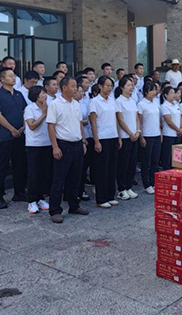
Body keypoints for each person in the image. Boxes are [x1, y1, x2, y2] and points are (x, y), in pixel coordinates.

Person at [47, 77, 89, 223]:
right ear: (64, 88)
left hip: (77, 144)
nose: (75, 88)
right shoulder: (55, 104)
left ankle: (74, 205)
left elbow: (79, 124)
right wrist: (55, 147)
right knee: (59, 179)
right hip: (63, 145)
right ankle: (55, 210)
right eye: (73, 86)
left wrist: (83, 141)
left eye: (76, 86)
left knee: (75, 177)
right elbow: (51, 126)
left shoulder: (76, 104)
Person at [0, 67, 28, 209]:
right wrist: (12, 129)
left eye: (14, 75)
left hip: (20, 135)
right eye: (10, 76)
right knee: (2, 166)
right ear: (2, 79)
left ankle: (19, 192)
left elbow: (24, 111)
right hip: (4, 136)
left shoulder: (18, 94)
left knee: (20, 165)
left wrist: (23, 126)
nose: (13, 78)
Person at [90, 76, 121, 209]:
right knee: (102, 169)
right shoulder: (94, 102)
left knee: (112, 168)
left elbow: (115, 120)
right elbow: (93, 122)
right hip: (102, 137)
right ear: (100, 86)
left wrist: (119, 137)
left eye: (111, 86)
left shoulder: (112, 100)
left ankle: (110, 195)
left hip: (113, 136)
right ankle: (101, 198)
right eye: (107, 85)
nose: (109, 88)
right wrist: (96, 141)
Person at [24, 86, 52, 215]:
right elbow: (32, 125)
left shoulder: (48, 107)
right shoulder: (30, 108)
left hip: (47, 143)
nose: (45, 95)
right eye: (42, 93)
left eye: (45, 93)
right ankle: (31, 200)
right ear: (35, 96)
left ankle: (41, 198)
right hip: (34, 145)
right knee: (33, 173)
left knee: (44, 173)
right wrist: (44, 114)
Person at [115, 76, 140, 200]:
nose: (131, 87)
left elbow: (136, 118)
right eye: (128, 85)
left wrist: (138, 131)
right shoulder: (118, 101)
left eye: (132, 85)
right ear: (122, 87)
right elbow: (120, 120)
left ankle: (129, 186)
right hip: (125, 137)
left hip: (135, 136)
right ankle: (121, 189)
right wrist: (130, 133)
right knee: (123, 164)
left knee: (132, 163)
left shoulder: (132, 101)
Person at [138, 81, 161, 194]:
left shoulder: (155, 102)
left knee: (155, 161)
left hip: (156, 134)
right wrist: (141, 136)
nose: (154, 92)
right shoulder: (141, 104)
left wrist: (160, 133)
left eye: (155, 90)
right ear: (146, 92)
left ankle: (153, 182)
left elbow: (158, 119)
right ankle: (147, 184)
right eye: (151, 90)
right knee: (146, 161)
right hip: (147, 135)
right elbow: (139, 122)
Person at [159, 86, 182, 170]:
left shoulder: (176, 104)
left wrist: (181, 128)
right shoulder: (164, 106)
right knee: (168, 157)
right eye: (171, 93)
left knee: (177, 157)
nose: (174, 95)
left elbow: (180, 117)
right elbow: (168, 121)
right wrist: (178, 129)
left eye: (174, 93)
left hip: (177, 134)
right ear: (165, 95)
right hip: (169, 134)